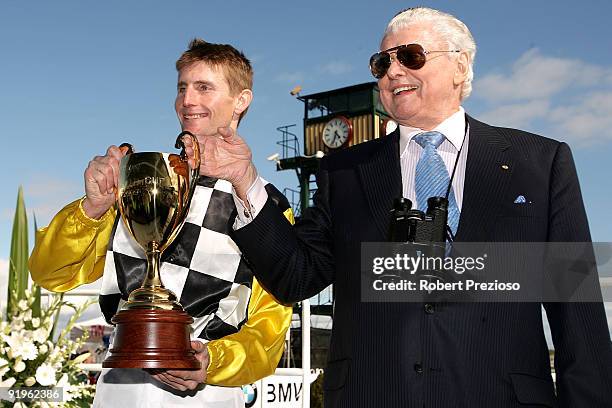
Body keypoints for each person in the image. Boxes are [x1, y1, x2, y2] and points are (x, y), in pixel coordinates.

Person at [187, 7, 612, 408]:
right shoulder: (344, 172)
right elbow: (295, 277)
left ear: (460, 66)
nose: (393, 71)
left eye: (410, 56)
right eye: (381, 62)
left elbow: (576, 304)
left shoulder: (540, 162)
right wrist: (244, 179)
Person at [29, 38, 293, 407]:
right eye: (182, 87)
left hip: (207, 393)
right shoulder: (139, 179)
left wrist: (208, 361)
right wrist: (91, 208)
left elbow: (268, 335)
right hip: (119, 384)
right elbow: (49, 273)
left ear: (241, 100)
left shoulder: (267, 205)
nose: (187, 100)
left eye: (204, 87)